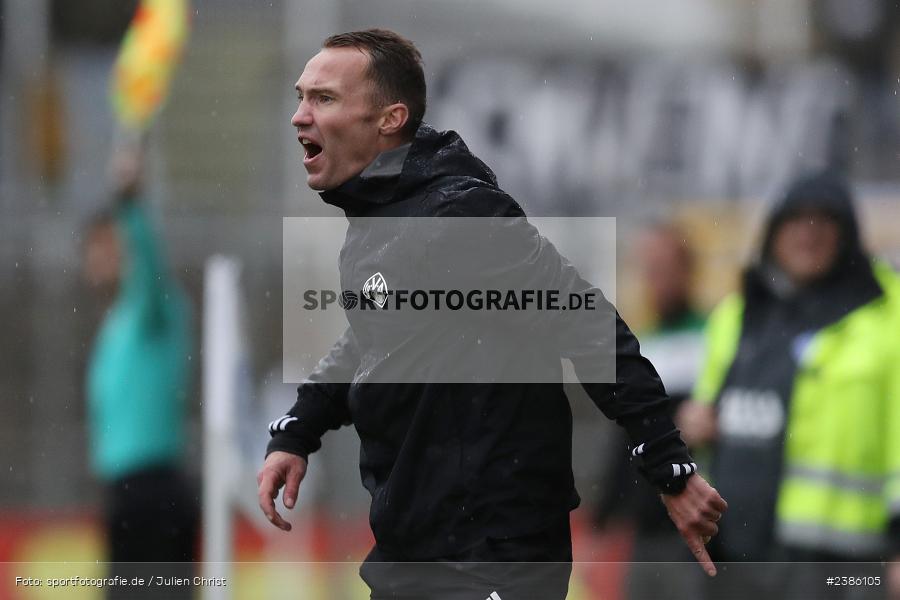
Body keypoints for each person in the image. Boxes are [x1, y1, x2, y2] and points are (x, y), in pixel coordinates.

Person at [257, 29, 726, 599]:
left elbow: (583, 319)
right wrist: (299, 427)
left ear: (389, 118)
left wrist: (666, 461)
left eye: (323, 98)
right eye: (300, 96)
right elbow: (370, 337)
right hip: (415, 553)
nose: (299, 116)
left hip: (490, 557)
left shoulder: (459, 214)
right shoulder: (379, 223)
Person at [678, 172, 900, 599]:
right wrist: (691, 429)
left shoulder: (888, 317)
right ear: (774, 232)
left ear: (848, 233)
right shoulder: (738, 314)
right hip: (736, 552)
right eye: (795, 220)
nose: (808, 234)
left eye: (824, 221)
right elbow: (704, 415)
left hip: (844, 561)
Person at [84, 141, 197, 598]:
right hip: (126, 493)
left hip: (153, 492)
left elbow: (149, 268)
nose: (97, 258)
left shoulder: (153, 309)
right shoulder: (116, 325)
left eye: (108, 247)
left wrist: (130, 206)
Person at [593, 223, 707, 600]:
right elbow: (623, 441)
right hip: (646, 531)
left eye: (665, 267)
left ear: (687, 270)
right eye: (650, 268)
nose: (656, 279)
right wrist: (606, 515)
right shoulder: (642, 344)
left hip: (696, 527)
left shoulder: (712, 338)